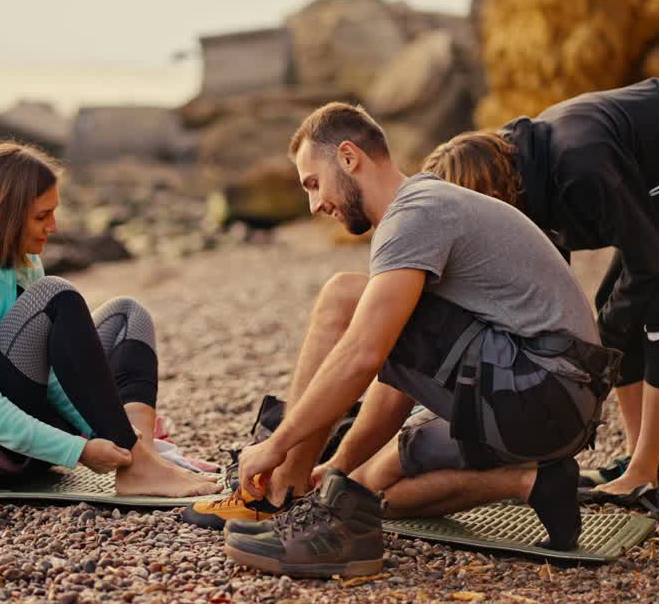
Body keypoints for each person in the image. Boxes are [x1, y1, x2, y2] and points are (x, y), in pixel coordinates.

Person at [199, 103, 619, 578]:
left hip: (542, 388)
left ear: (350, 157)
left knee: (343, 297)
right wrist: (338, 468)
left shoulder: (415, 214)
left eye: (313, 183)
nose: (314, 205)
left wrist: (277, 446)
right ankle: (533, 483)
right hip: (555, 398)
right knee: (374, 489)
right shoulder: (423, 208)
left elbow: (364, 354)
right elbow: (402, 372)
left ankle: (282, 492)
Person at [423, 74, 659, 501]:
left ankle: (644, 472)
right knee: (612, 306)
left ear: (492, 193)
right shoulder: (522, 170)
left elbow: (646, 262)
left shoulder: (579, 164)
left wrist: (596, 358)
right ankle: (638, 459)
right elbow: (547, 286)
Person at [0, 142, 220, 497]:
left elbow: (56, 379)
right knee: (59, 296)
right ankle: (140, 463)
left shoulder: (23, 263)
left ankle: (141, 457)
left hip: (17, 438)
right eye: (41, 216)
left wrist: (109, 441)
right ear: (5, 216)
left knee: (128, 316)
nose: (53, 226)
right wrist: (78, 451)